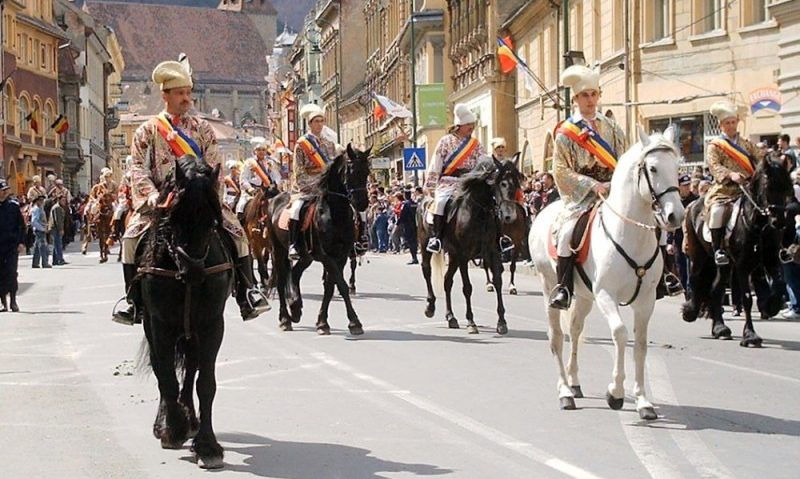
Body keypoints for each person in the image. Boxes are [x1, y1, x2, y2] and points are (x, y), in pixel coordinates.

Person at [113, 57, 269, 325]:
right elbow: (137, 168)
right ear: (165, 95)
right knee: (129, 240)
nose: (187, 99)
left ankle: (247, 292)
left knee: (238, 234)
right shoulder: (147, 131)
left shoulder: (203, 129)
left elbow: (214, 165)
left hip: (198, 201)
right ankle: (132, 301)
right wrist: (151, 194)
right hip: (160, 204)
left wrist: (208, 196)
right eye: (180, 93)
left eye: (188, 93)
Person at [549, 65, 627, 310]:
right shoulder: (565, 133)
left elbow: (624, 159)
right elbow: (560, 171)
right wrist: (593, 185)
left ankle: (659, 277)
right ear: (575, 99)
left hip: (614, 190)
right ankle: (563, 288)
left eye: (594, 94)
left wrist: (616, 183)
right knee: (566, 233)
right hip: (582, 197)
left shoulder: (613, 127)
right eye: (585, 95)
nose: (590, 100)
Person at [425, 103, 489, 253]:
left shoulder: (475, 143)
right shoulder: (445, 141)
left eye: (472, 124)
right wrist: (430, 185)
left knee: (490, 201)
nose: (471, 128)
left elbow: (483, 159)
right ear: (460, 125)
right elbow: (436, 163)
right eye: (469, 125)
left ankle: (497, 238)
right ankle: (437, 238)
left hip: (470, 182)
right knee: (440, 203)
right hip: (449, 182)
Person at [705, 101, 762, 266]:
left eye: (733, 122)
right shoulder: (715, 146)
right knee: (717, 212)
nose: (731, 126)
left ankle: (779, 246)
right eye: (727, 123)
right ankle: (718, 250)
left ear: (737, 122)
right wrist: (730, 174)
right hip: (726, 189)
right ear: (721, 125)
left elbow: (759, 159)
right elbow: (714, 166)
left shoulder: (746, 144)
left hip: (748, 188)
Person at [288, 103, 338, 260]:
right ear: (309, 124)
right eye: (316, 121)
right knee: (296, 209)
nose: (320, 124)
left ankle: (356, 240)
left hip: (326, 186)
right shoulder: (302, 144)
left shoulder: (329, 144)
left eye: (322, 121)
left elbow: (333, 166)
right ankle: (294, 244)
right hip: (307, 186)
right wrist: (311, 185)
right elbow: (299, 169)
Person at [236, 137, 281, 219]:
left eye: (263, 150)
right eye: (259, 149)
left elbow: (276, 176)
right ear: (255, 151)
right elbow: (243, 179)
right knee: (241, 207)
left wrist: (276, 184)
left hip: (268, 191)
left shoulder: (270, 162)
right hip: (253, 191)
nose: (261, 152)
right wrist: (249, 188)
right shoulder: (249, 163)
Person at [0, 179, 26, 312]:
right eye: (2, 191)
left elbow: (21, 226)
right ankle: (3, 302)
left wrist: (21, 242)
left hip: (11, 246)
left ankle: (13, 301)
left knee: (11, 273)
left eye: (6, 191)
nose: (4, 193)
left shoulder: (13, 207)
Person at [399, 187, 419, 264]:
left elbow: (402, 215)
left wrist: (398, 224)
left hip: (408, 226)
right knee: (414, 241)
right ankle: (415, 257)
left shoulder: (405, 204)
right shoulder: (414, 204)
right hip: (415, 225)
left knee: (411, 242)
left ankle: (414, 258)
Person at [30, 195, 50, 269]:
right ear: (37, 201)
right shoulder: (36, 209)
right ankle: (45, 263)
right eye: (40, 200)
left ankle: (35, 263)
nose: (42, 201)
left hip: (41, 230)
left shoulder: (40, 208)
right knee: (43, 247)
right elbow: (34, 221)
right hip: (39, 231)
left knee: (37, 248)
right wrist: (42, 228)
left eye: (42, 200)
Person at [49, 196, 67, 266]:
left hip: (54, 228)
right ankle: (60, 260)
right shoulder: (57, 208)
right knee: (58, 244)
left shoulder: (57, 207)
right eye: (63, 200)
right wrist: (61, 229)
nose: (64, 202)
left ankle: (55, 260)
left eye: (65, 200)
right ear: (58, 200)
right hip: (56, 229)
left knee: (55, 245)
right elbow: (58, 220)